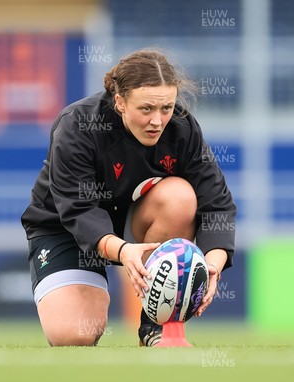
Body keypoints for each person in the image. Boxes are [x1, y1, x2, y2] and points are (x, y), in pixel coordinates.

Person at [21, 49, 236, 347]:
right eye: (146, 108)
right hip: (64, 230)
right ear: (120, 101)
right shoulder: (77, 125)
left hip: (135, 226)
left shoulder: (183, 128)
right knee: (74, 335)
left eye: (167, 108)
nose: (158, 121)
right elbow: (78, 210)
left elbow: (217, 203)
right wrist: (122, 251)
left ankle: (154, 327)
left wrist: (214, 261)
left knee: (180, 197)